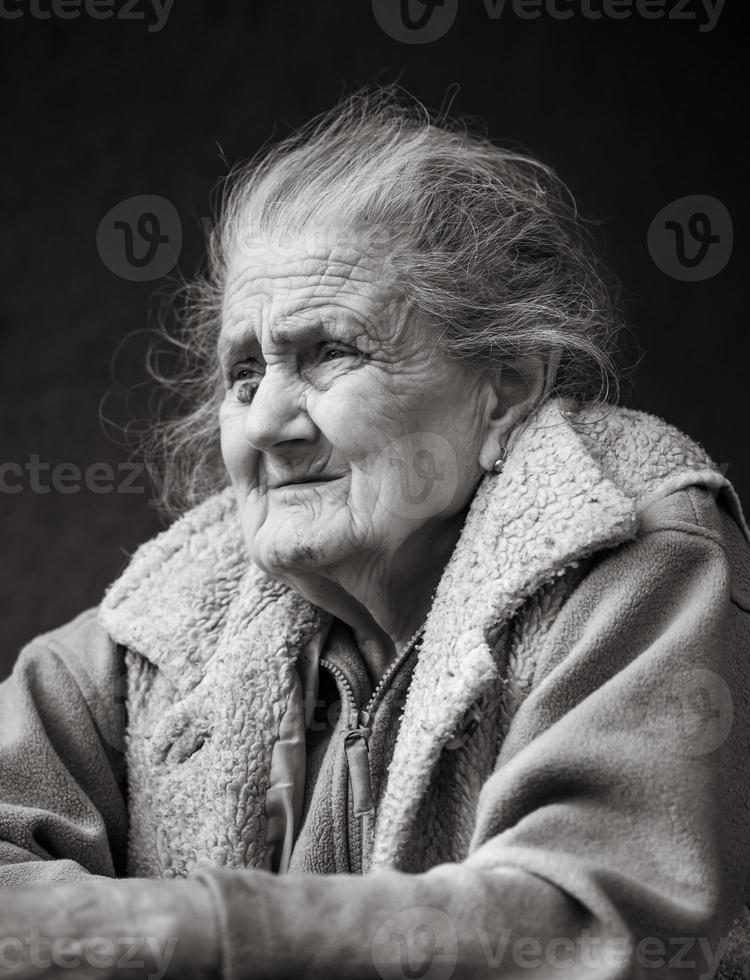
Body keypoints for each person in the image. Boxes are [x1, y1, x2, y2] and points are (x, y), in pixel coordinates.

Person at [1, 88, 749, 980]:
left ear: (504, 388)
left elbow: (591, 928)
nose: (268, 420)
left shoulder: (633, 545)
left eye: (330, 353)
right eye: (244, 374)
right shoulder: (170, 616)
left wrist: (182, 929)